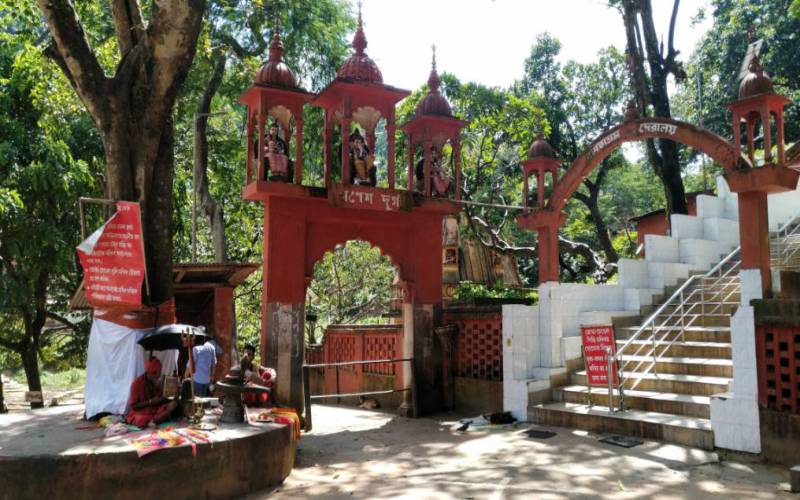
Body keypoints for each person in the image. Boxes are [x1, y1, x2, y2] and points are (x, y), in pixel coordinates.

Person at [125, 358, 178, 428]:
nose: (160, 374)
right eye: (159, 372)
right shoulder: (136, 384)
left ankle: (154, 421)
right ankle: (156, 420)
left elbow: (161, 399)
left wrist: (169, 393)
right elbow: (133, 406)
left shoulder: (156, 381)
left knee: (173, 405)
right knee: (140, 419)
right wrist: (150, 402)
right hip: (142, 411)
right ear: (152, 373)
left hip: (155, 409)